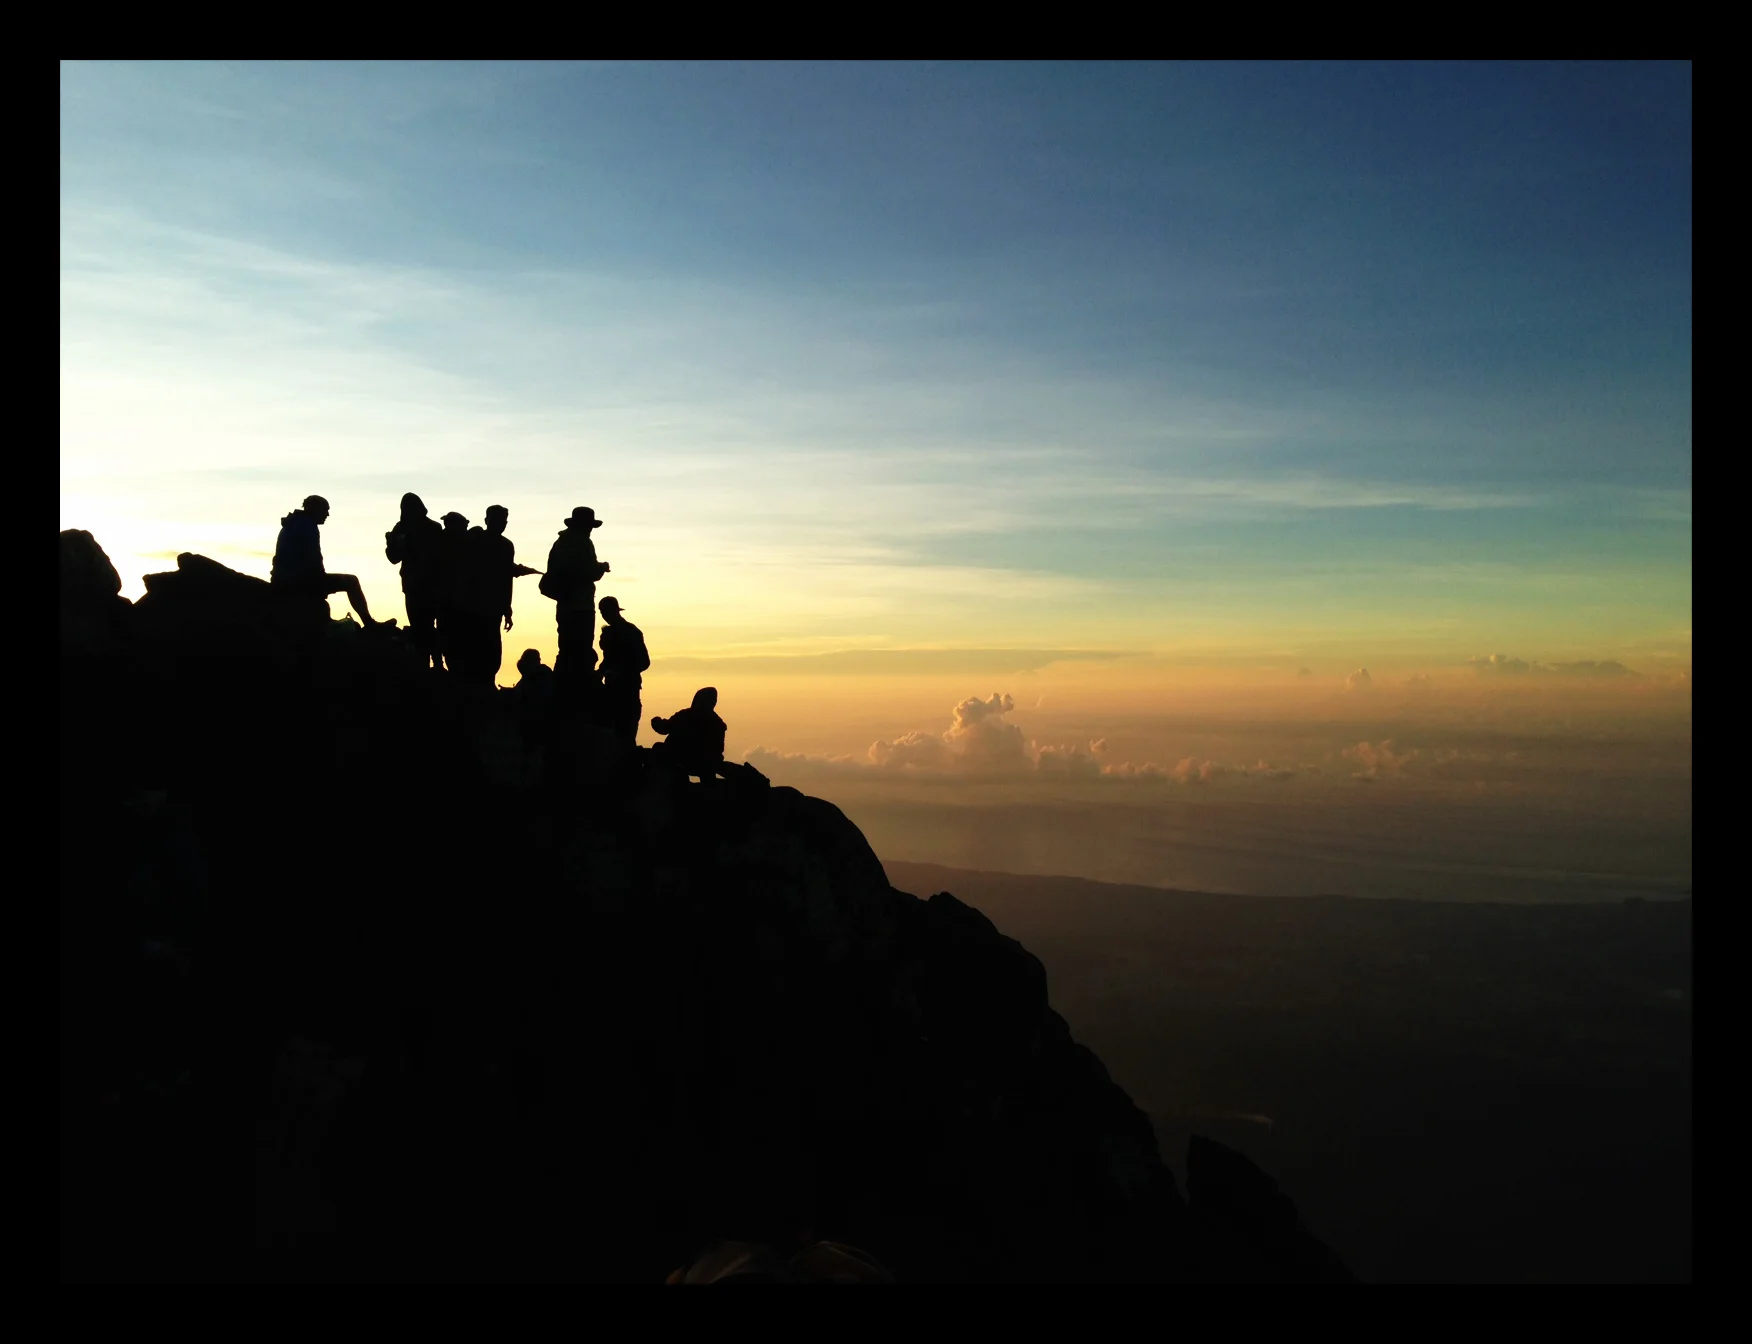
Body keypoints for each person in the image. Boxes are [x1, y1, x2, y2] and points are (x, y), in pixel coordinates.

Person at [454, 505, 542, 689]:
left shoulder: (500, 544)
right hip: (476, 608)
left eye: (503, 521)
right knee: (481, 653)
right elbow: (502, 574)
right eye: (498, 520)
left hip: (489, 609)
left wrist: (507, 610)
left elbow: (505, 577)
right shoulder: (481, 541)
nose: (501, 524)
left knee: (489, 654)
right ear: (487, 521)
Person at [271, 495, 387, 628]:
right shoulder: (307, 526)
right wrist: (320, 582)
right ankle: (370, 624)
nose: (327, 514)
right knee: (351, 582)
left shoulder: (294, 523)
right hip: (298, 581)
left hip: (287, 579)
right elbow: (313, 558)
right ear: (314, 509)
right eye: (325, 510)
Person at [540, 507, 610, 679]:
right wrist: (602, 567)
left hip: (565, 605)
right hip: (581, 607)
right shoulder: (584, 543)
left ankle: (561, 686)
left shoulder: (560, 543)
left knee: (566, 651)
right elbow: (591, 572)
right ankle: (577, 688)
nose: (590, 529)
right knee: (581, 652)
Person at [384, 493, 444, 669]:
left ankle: (434, 663)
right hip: (415, 585)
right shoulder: (404, 528)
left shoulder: (430, 528)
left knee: (425, 626)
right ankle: (429, 663)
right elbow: (394, 557)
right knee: (421, 626)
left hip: (429, 585)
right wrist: (391, 543)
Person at [596, 596, 649, 744]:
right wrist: (600, 672)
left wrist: (621, 671)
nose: (604, 616)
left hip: (627, 691)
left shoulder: (631, 632)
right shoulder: (613, 632)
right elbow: (608, 660)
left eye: (605, 612)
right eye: (602, 612)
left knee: (624, 735)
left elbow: (644, 662)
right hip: (613, 690)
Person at [650, 687, 727, 779]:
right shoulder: (718, 724)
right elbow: (718, 750)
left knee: (657, 748)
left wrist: (656, 721)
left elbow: (664, 728)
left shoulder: (684, 715)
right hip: (703, 764)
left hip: (677, 757)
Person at [434, 512, 472, 673]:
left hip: (451, 601)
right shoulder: (462, 544)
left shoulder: (441, 542)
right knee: (451, 640)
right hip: (452, 602)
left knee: (449, 639)